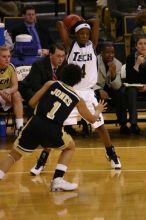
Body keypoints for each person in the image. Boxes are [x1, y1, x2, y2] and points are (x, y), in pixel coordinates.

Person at [30, 18, 121, 176]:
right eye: (81, 33)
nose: (85, 36)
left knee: (100, 126)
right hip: (71, 92)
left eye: (87, 34)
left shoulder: (92, 46)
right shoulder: (70, 46)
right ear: (75, 35)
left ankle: (111, 153)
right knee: (56, 127)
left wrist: (84, 22)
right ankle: (42, 160)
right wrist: (73, 23)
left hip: (87, 92)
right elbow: (59, 24)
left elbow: (97, 21)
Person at [0, 63, 106, 192]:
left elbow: (32, 103)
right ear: (78, 81)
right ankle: (57, 180)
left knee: (13, 156)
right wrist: (98, 110)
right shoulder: (77, 98)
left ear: (62, 74)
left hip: (35, 123)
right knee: (70, 147)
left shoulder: (51, 84)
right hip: (53, 129)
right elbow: (91, 119)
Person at [94, 42, 130, 134]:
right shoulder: (94, 61)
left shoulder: (117, 63)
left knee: (120, 94)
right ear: (101, 53)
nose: (110, 55)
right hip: (96, 89)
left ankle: (123, 125)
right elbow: (89, 81)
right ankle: (94, 125)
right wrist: (99, 91)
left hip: (110, 90)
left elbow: (117, 86)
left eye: (112, 52)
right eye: (107, 52)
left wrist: (113, 74)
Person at [125, 34, 146, 134]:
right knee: (131, 91)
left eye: (145, 44)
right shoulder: (130, 58)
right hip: (134, 87)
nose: (143, 46)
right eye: (140, 44)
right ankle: (134, 125)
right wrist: (137, 64)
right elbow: (130, 79)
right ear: (136, 46)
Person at [0, 46, 24, 135]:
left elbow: (15, 86)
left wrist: (8, 91)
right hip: (1, 94)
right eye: (4, 57)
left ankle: (19, 128)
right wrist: (2, 92)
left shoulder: (11, 67)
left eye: (9, 56)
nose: (7, 59)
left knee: (16, 94)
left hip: (6, 94)